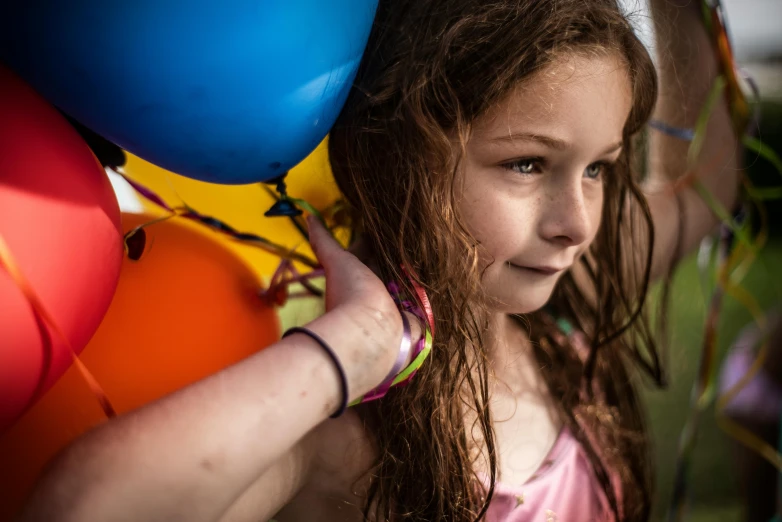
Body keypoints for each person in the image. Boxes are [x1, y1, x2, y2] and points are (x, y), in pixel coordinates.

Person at [14, 0, 741, 521]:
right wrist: (347, 351)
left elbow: (706, 186)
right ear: (401, 158)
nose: (576, 224)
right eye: (526, 165)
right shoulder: (347, 434)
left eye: (599, 168)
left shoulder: (562, 318)